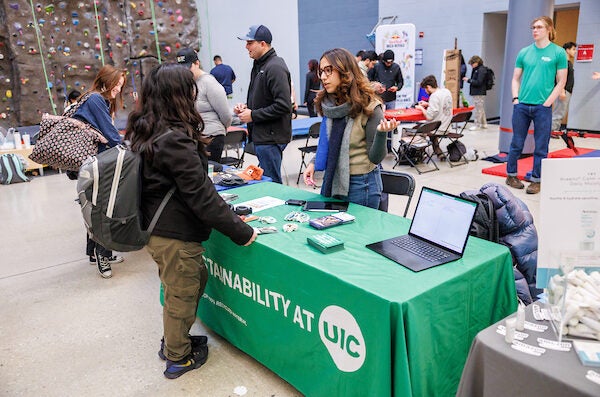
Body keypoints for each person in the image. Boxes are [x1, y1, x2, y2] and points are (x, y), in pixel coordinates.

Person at [124, 63, 257, 380]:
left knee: (190, 282)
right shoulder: (173, 139)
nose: (195, 93)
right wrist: (242, 231)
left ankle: (175, 339)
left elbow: (193, 189)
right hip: (174, 235)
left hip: (158, 230)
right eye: (190, 88)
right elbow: (201, 196)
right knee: (181, 295)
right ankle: (177, 357)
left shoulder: (150, 130)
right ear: (179, 95)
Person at [303, 48, 398, 209]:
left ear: (345, 72)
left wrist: (381, 134)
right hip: (333, 179)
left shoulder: (370, 106)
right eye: (321, 71)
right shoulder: (329, 104)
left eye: (328, 71)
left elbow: (376, 158)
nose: (323, 77)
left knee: (359, 234)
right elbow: (330, 141)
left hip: (362, 185)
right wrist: (314, 162)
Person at [71, 65, 125, 278]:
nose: (118, 90)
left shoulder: (93, 99)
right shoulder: (95, 100)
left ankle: (94, 254)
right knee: (104, 208)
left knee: (93, 206)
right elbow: (110, 133)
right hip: (98, 164)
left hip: (91, 163)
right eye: (117, 85)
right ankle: (104, 255)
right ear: (106, 82)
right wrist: (127, 147)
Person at [506, 16, 567, 195]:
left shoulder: (558, 53)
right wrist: (515, 99)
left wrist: (547, 103)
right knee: (516, 143)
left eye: (539, 27)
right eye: (533, 27)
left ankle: (536, 180)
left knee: (541, 145)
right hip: (522, 106)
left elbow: (561, 81)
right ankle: (511, 175)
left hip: (542, 107)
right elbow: (515, 78)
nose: (535, 30)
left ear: (548, 29)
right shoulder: (524, 52)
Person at [234, 24, 292, 184]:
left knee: (272, 186)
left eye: (249, 42)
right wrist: (247, 107)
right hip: (263, 137)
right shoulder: (260, 65)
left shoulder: (274, 67)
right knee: (267, 183)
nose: (246, 47)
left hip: (270, 139)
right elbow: (265, 99)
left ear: (263, 44)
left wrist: (253, 115)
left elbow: (283, 105)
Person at [177, 47, 232, 163]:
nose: (186, 72)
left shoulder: (209, 82)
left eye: (188, 68)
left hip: (211, 137)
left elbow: (225, 114)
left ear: (197, 63)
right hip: (196, 138)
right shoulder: (188, 83)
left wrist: (218, 130)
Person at [415, 74, 453, 160]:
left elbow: (429, 116)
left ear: (428, 87)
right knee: (431, 127)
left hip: (438, 129)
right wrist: (428, 104)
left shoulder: (434, 96)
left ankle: (419, 153)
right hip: (447, 127)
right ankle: (438, 152)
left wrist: (421, 108)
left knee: (417, 128)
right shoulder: (446, 92)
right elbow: (442, 106)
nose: (425, 91)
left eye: (425, 89)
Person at [551, 42, 576, 133]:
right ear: (567, 50)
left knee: (561, 112)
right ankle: (553, 130)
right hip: (563, 90)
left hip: (567, 90)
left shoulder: (568, 62)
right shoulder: (563, 62)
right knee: (559, 112)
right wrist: (561, 91)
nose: (575, 51)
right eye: (573, 49)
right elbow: (559, 76)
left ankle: (554, 129)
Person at [463, 55, 488, 130]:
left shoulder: (481, 70)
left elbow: (479, 82)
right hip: (477, 92)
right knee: (480, 108)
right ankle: (484, 123)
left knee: (478, 109)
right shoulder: (477, 69)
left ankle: (477, 125)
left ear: (477, 62)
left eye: (472, 64)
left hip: (479, 92)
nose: (471, 66)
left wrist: (469, 80)